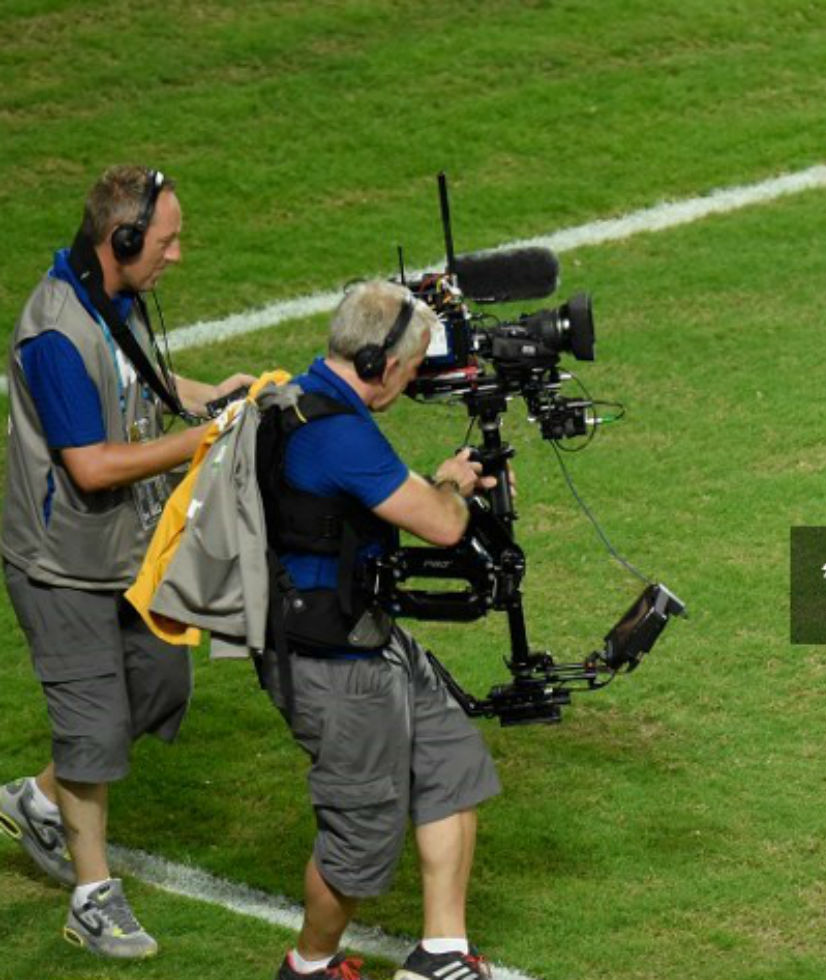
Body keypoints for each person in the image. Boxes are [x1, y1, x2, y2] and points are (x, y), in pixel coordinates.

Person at [1, 165, 253, 957]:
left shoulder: (111, 299)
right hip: (61, 563)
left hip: (124, 550)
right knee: (93, 725)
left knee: (159, 685)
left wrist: (214, 396)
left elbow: (139, 376)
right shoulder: (53, 335)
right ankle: (91, 898)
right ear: (124, 239)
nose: (175, 255)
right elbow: (92, 465)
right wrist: (203, 440)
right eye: (167, 241)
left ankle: (36, 798)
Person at [258, 281, 501, 980]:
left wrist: (432, 488)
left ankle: (440, 956)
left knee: (450, 759)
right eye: (412, 363)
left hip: (361, 634)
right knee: (361, 840)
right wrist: (451, 483)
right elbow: (443, 524)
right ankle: (308, 967)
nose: (416, 377)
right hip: (335, 665)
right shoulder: (336, 433)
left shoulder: (309, 394)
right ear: (377, 362)